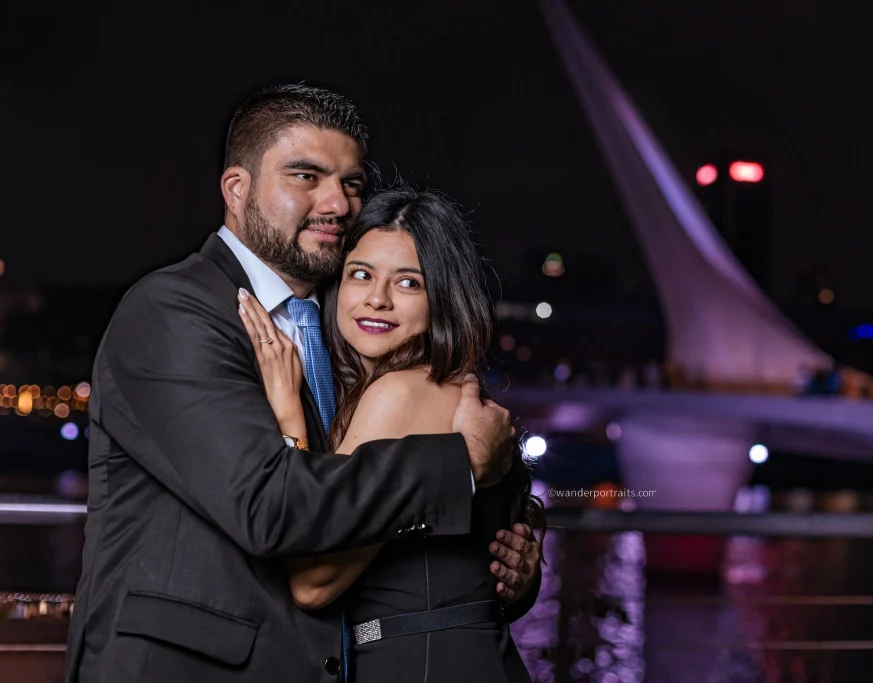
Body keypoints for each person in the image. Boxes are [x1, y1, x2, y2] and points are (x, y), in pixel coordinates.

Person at [66, 85, 540, 683]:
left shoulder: (349, 341)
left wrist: (508, 567)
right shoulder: (176, 310)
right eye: (305, 176)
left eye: (350, 183)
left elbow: (384, 534)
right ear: (236, 189)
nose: (337, 203)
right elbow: (271, 506)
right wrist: (463, 460)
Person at [237, 186, 542, 682]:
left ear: (440, 299)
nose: (376, 299)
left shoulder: (400, 393)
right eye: (361, 274)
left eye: (408, 283)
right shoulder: (443, 387)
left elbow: (313, 584)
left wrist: (289, 413)